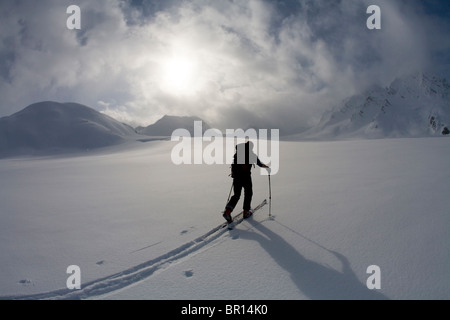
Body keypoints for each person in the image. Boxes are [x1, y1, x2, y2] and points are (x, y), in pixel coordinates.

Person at [223, 141, 269, 223]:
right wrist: (267, 167)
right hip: (246, 177)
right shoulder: (251, 155)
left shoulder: (238, 154)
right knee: (248, 193)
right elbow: (259, 164)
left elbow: (234, 164)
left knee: (236, 195)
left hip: (236, 177)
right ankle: (246, 212)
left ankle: (227, 211)